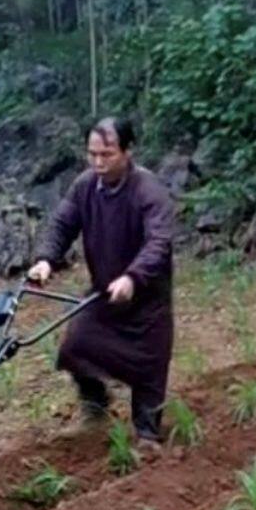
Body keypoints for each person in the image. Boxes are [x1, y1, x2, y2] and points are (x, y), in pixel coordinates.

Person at [29, 116, 175, 451]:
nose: (98, 162)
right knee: (75, 344)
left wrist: (133, 277)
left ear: (127, 151)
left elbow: (159, 243)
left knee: (149, 367)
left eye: (106, 154)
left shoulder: (148, 191)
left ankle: (148, 435)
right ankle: (95, 409)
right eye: (92, 154)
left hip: (147, 300)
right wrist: (46, 259)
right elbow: (62, 224)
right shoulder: (85, 186)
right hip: (105, 294)